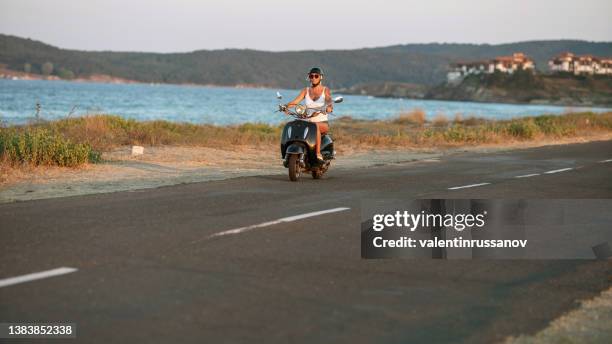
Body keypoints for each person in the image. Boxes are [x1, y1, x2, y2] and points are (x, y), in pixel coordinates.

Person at [283, 67, 333, 162]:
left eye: (316, 76)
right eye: (311, 76)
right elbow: (295, 102)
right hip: (307, 121)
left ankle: (318, 154)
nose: (313, 78)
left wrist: (329, 107)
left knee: (315, 127)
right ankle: (289, 152)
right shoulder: (305, 90)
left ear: (321, 77)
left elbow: (329, 100)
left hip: (322, 123)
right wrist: (286, 106)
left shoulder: (325, 90)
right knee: (294, 124)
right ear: (309, 77)